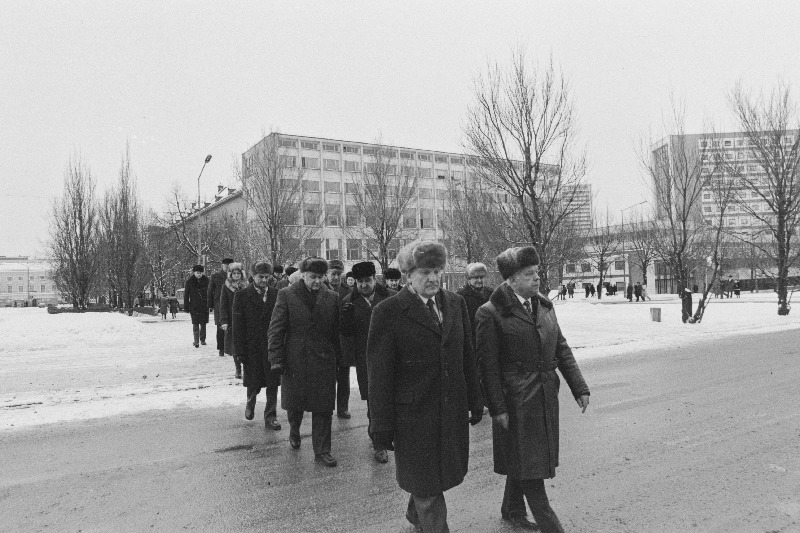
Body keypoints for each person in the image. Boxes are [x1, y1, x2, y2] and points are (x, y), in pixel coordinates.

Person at [368, 240, 483, 533]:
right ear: (408, 275)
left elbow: (466, 354)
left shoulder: (455, 304)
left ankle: (414, 513)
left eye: (436, 271)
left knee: (433, 476)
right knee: (428, 487)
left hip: (449, 409)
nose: (432, 278)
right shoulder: (388, 311)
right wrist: (380, 425)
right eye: (424, 272)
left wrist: (474, 398)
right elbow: (380, 375)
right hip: (413, 416)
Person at [476, 246, 590, 532]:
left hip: (543, 394)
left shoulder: (544, 305)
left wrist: (579, 386)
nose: (536, 278)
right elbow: (487, 368)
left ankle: (512, 509)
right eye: (528, 274)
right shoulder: (490, 313)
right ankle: (552, 527)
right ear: (511, 280)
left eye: (536, 272)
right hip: (515, 399)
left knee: (525, 456)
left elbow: (560, 348)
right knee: (529, 464)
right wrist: (497, 408)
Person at [268, 257, 342, 467]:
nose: (317, 281)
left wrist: (339, 358)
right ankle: (294, 430)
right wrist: (276, 358)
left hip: (324, 359)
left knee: (324, 406)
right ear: (302, 275)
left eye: (320, 277)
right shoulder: (287, 295)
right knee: (295, 403)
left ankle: (322, 450)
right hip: (295, 358)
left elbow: (336, 332)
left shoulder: (332, 298)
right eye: (312, 277)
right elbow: (276, 329)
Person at [340, 261, 395, 463]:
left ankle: (396, 437)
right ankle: (379, 444)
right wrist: (345, 321)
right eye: (360, 281)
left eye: (368, 280)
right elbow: (345, 334)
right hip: (367, 360)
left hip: (392, 356)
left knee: (396, 397)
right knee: (374, 401)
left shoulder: (390, 296)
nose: (364, 285)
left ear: (375, 279)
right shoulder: (349, 301)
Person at [233, 261, 282, 428]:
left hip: (272, 346)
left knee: (273, 382)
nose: (263, 280)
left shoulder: (277, 294)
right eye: (260, 277)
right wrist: (239, 351)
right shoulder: (241, 296)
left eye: (267, 277)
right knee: (253, 380)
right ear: (252, 277)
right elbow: (238, 326)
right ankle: (250, 401)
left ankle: (271, 416)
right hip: (251, 346)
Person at [326, 259, 352, 418]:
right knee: (327, 378)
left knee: (344, 376)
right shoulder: (320, 290)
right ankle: (326, 407)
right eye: (332, 274)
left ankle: (343, 407)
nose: (335, 277)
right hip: (326, 339)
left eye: (338, 274)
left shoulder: (348, 291)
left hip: (342, 340)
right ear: (327, 274)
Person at [220, 262, 248, 380]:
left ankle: (247, 368)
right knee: (235, 346)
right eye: (234, 273)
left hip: (246, 320)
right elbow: (223, 305)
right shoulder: (226, 287)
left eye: (238, 273)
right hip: (232, 320)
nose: (236, 275)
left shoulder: (247, 286)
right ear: (230, 275)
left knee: (247, 345)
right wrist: (224, 321)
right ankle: (238, 368)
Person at [456, 262, 493, 346]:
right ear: (468, 279)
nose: (479, 280)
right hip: (471, 340)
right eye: (476, 277)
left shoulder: (492, 293)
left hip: (490, 339)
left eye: (482, 277)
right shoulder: (461, 296)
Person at [208, 258, 233, 357]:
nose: (227, 268)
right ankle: (221, 348)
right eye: (226, 266)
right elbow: (210, 291)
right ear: (222, 266)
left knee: (232, 326)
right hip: (219, 305)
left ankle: (231, 347)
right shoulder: (216, 277)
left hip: (232, 304)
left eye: (229, 266)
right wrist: (210, 305)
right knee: (221, 327)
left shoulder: (235, 276)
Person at [184, 265, 210, 348]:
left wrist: (210, 304)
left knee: (203, 323)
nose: (199, 274)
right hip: (194, 305)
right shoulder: (189, 281)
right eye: (197, 273)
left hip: (204, 305)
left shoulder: (207, 281)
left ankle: (202, 340)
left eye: (200, 273)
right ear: (194, 273)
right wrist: (186, 306)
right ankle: (196, 341)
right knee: (195, 324)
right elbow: (186, 294)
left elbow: (210, 294)